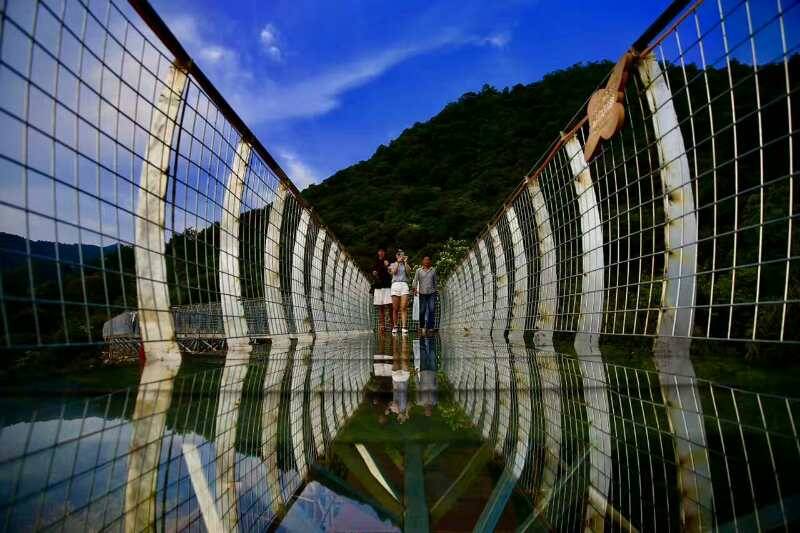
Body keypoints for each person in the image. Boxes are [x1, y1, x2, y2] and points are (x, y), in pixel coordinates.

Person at [388, 249, 411, 335]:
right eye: (398, 255)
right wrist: (398, 262)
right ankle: (395, 326)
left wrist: (405, 263)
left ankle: (404, 327)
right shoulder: (393, 264)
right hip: (395, 285)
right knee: (395, 308)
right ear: (396, 256)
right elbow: (394, 272)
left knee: (404, 307)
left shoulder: (406, 264)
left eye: (401, 255)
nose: (400, 256)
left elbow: (409, 273)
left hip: (404, 284)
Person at [412, 256, 438, 335]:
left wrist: (436, 290)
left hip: (431, 293)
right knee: (422, 310)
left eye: (428, 260)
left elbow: (435, 281)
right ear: (422, 262)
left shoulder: (433, 270)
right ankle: (422, 326)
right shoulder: (419, 271)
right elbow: (415, 280)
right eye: (425, 260)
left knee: (432, 309)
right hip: (422, 293)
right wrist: (414, 289)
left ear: (430, 261)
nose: (426, 261)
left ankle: (430, 327)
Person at [371, 248, 392, 332]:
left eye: (383, 251)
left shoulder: (388, 261)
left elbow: (391, 273)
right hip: (378, 287)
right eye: (380, 251)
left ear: (384, 253)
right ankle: (382, 325)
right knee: (381, 307)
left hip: (387, 286)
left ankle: (392, 324)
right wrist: (374, 273)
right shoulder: (375, 262)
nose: (381, 253)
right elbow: (373, 272)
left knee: (390, 306)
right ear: (378, 252)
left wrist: (387, 266)